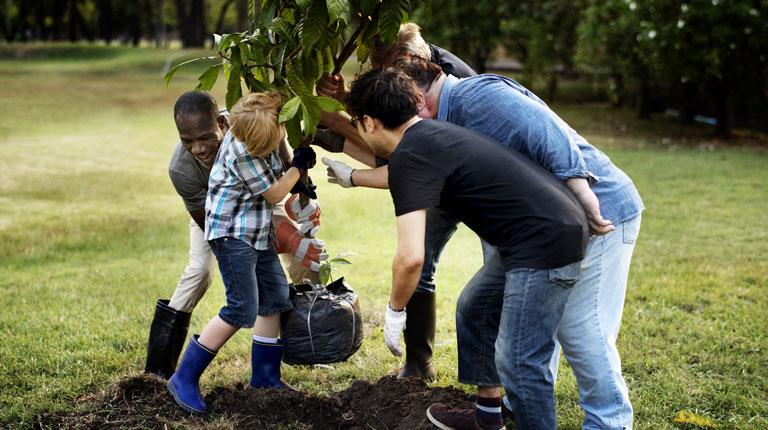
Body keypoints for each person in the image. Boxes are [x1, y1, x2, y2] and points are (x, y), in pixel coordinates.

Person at [330, 58, 645, 429]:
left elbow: (411, 258)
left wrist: (395, 312)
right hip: (541, 229)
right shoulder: (430, 135)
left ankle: (601, 421)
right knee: (475, 307)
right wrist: (351, 176)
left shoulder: (464, 109)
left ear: (369, 123)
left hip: (549, 237)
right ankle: (488, 417)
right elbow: (399, 171)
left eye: (358, 125)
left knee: (523, 357)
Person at [314, 23, 477, 380]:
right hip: (438, 169)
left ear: (413, 61)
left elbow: (408, 162)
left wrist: (340, 127)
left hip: (477, 181)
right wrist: (344, 103)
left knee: (479, 285)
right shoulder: (407, 69)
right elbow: (397, 149)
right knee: (423, 265)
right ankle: (419, 365)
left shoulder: (451, 85)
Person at [144, 92, 326, 380]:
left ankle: (296, 354)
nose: (198, 149)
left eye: (205, 137)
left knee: (287, 279)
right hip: (219, 219)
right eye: (187, 141)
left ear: (222, 123)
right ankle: (161, 370)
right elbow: (215, 224)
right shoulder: (185, 168)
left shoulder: (252, 123)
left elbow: (280, 163)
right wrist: (284, 234)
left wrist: (301, 194)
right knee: (204, 275)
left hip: (256, 206)